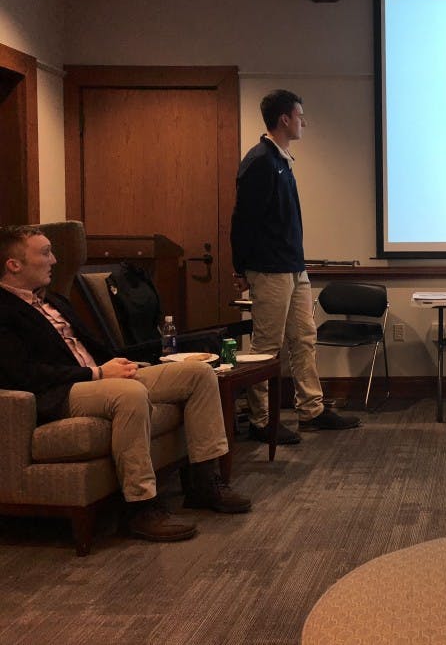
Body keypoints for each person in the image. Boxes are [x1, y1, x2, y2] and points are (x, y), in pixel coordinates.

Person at [0, 225, 252, 543]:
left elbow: (98, 347)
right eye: (45, 252)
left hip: (100, 377)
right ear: (14, 265)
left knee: (198, 374)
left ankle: (204, 482)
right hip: (63, 391)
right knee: (129, 393)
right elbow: (24, 374)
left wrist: (131, 364)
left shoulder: (56, 302)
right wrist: (98, 374)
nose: (54, 259)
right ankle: (140, 508)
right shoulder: (5, 310)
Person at [231, 89, 361, 445]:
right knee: (266, 348)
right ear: (285, 119)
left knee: (304, 338)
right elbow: (243, 220)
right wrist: (239, 267)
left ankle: (312, 410)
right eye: (300, 115)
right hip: (269, 269)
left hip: (293, 266)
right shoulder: (259, 161)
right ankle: (261, 420)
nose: (304, 121)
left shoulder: (282, 160)